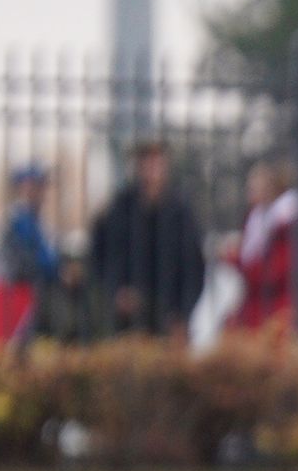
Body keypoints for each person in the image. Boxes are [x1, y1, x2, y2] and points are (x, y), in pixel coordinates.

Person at [87, 137, 208, 339]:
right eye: (145, 161)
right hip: (126, 318)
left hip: (168, 315)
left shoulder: (180, 212)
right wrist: (116, 292)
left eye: (156, 161)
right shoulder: (119, 208)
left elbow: (194, 267)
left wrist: (183, 314)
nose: (151, 168)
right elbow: (100, 256)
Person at [224, 160, 298, 336]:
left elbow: (274, 271)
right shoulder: (254, 219)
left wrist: (234, 260)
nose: (249, 191)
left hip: (274, 310)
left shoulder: (283, 224)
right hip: (253, 307)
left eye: (255, 186)